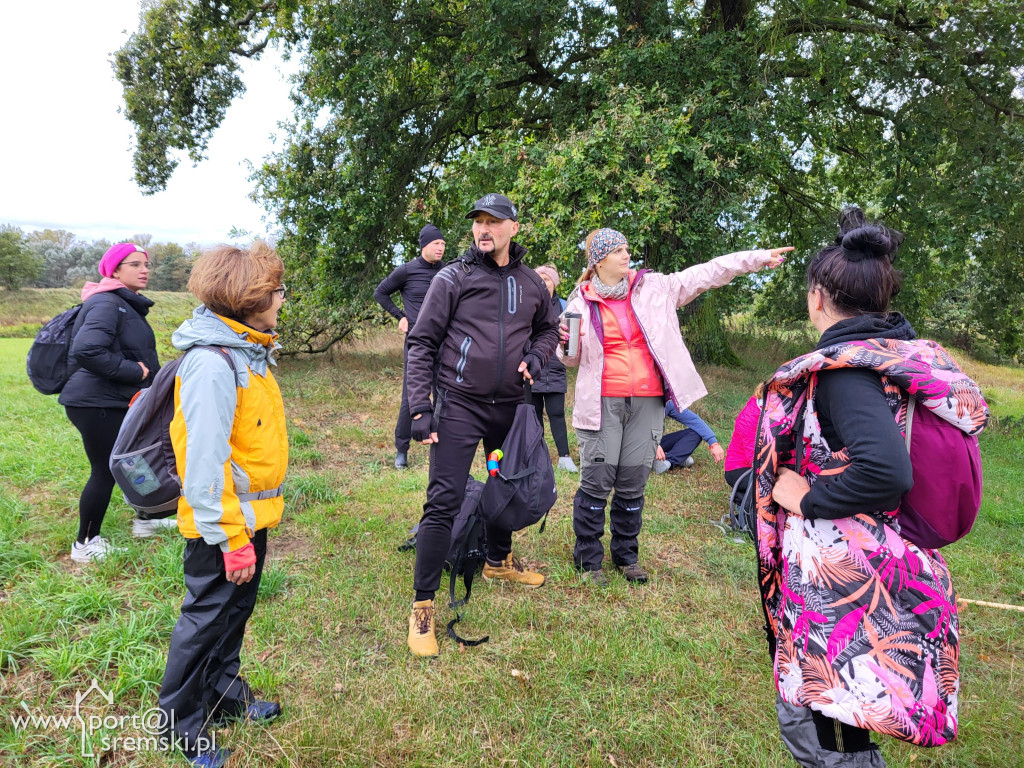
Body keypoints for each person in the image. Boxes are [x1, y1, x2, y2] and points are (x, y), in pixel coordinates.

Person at [759, 208, 984, 766]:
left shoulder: (844, 373)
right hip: (877, 560)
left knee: (824, 722)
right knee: (850, 713)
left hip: (845, 575)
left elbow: (885, 470)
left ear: (817, 297)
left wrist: (807, 497)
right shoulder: (894, 355)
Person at [561, 228, 790, 586]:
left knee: (634, 479)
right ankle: (588, 559)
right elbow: (570, 360)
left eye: (627, 248)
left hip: (648, 401)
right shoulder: (579, 303)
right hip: (601, 403)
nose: (627, 255)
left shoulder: (656, 288)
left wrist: (757, 258)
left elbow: (709, 272)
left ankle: (626, 556)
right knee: (598, 479)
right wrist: (565, 345)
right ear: (599, 260)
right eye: (618, 250)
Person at [403, 193, 559, 657]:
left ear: (514, 228)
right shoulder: (454, 278)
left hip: (507, 410)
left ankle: (497, 561)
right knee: (444, 500)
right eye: (478, 222)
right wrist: (419, 407)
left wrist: (535, 356)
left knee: (503, 481)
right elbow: (422, 342)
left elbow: (549, 329)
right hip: (459, 407)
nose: (483, 229)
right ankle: (423, 607)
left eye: (494, 221)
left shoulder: (531, 283)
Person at [158, 242, 288, 768]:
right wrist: (231, 537)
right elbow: (203, 464)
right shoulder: (213, 365)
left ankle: (225, 698)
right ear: (248, 297)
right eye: (276, 290)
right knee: (205, 619)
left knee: (233, 614)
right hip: (222, 527)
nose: (283, 298)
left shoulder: (247, 350)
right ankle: (179, 725)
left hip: (249, 518)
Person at [59, 242, 169, 563]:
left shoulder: (124, 303)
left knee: (136, 459)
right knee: (106, 469)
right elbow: (87, 350)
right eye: (135, 264)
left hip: (115, 398)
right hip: (95, 402)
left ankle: (147, 520)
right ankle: (86, 544)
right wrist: (135, 371)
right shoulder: (107, 303)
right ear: (115, 270)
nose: (144, 269)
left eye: (146, 264)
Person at [374, 224, 446, 469]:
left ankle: (440, 444)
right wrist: (400, 316)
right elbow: (381, 293)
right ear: (424, 245)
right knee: (411, 397)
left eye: (443, 244)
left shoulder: (447, 272)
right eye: (436, 243)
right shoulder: (407, 270)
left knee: (442, 394)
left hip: (444, 343)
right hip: (417, 344)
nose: (441, 248)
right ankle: (401, 450)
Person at [532, 264, 577, 472]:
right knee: (533, 415)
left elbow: (572, 339)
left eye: (547, 279)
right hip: (532, 369)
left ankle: (564, 457)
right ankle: (537, 456)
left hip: (556, 369)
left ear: (554, 283)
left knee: (557, 412)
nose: (543, 282)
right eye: (539, 278)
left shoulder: (565, 306)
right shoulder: (528, 306)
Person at [652, 403, 725, 474]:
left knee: (696, 433)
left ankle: (669, 459)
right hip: (643, 443)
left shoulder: (668, 403)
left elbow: (694, 421)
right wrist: (654, 444)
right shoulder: (642, 401)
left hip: (657, 442)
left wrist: (713, 443)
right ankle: (677, 458)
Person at [723, 383, 763, 494]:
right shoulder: (751, 417)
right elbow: (754, 456)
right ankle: (741, 500)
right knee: (771, 485)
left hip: (756, 466)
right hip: (738, 468)